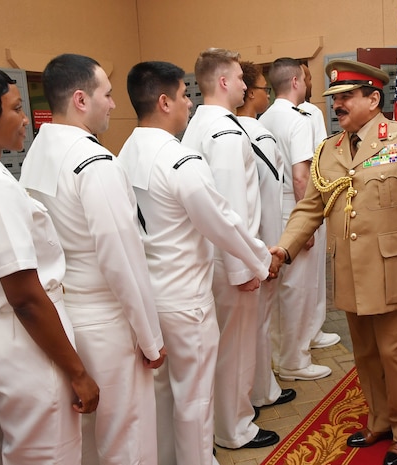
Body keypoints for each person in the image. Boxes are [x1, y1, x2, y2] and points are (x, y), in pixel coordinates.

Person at [275, 59, 397, 465]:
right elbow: (310, 208)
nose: (337, 105)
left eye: (345, 97)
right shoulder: (329, 150)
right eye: (334, 98)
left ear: (374, 99)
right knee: (367, 356)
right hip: (352, 275)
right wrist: (284, 249)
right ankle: (380, 420)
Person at [118, 60, 280, 465]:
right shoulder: (178, 159)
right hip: (186, 295)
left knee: (161, 393)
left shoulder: (125, 150)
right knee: (194, 396)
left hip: (149, 291)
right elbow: (221, 220)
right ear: (164, 102)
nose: (189, 103)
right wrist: (261, 259)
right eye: (182, 96)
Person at [0, 57, 99, 464]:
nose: (26, 119)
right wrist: (78, 372)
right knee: (51, 455)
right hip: (27, 342)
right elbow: (26, 297)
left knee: (17, 451)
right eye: (15, 109)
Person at [20, 53, 165, 465]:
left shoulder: (38, 152)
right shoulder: (95, 163)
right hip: (106, 319)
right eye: (108, 94)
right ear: (81, 99)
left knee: (87, 440)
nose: (114, 104)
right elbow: (122, 259)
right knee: (128, 436)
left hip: (65, 317)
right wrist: (151, 338)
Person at [181, 48, 280, 450]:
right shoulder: (223, 130)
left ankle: (227, 418)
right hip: (230, 260)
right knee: (235, 350)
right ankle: (235, 427)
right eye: (240, 77)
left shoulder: (200, 124)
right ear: (223, 82)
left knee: (226, 348)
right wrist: (246, 269)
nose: (245, 84)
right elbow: (230, 205)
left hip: (217, 255)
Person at [259, 58, 332, 381]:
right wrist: (308, 223)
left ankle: (283, 352)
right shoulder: (298, 118)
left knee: (286, 287)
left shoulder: (265, 117)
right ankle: (295, 360)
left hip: (276, 206)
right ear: (295, 82)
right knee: (299, 287)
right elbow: (301, 176)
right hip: (297, 206)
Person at [234, 61, 296, 410]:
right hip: (259, 248)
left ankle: (259, 387)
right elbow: (268, 198)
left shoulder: (218, 130)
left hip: (238, 249)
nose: (265, 94)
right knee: (258, 325)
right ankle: (262, 390)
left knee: (249, 329)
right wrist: (273, 252)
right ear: (251, 93)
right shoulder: (257, 134)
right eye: (262, 88)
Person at [300, 63, 340, 351]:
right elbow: (316, 166)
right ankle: (311, 332)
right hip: (311, 202)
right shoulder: (309, 113)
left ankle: (305, 333)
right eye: (308, 77)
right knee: (310, 279)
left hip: (295, 206)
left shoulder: (272, 116)